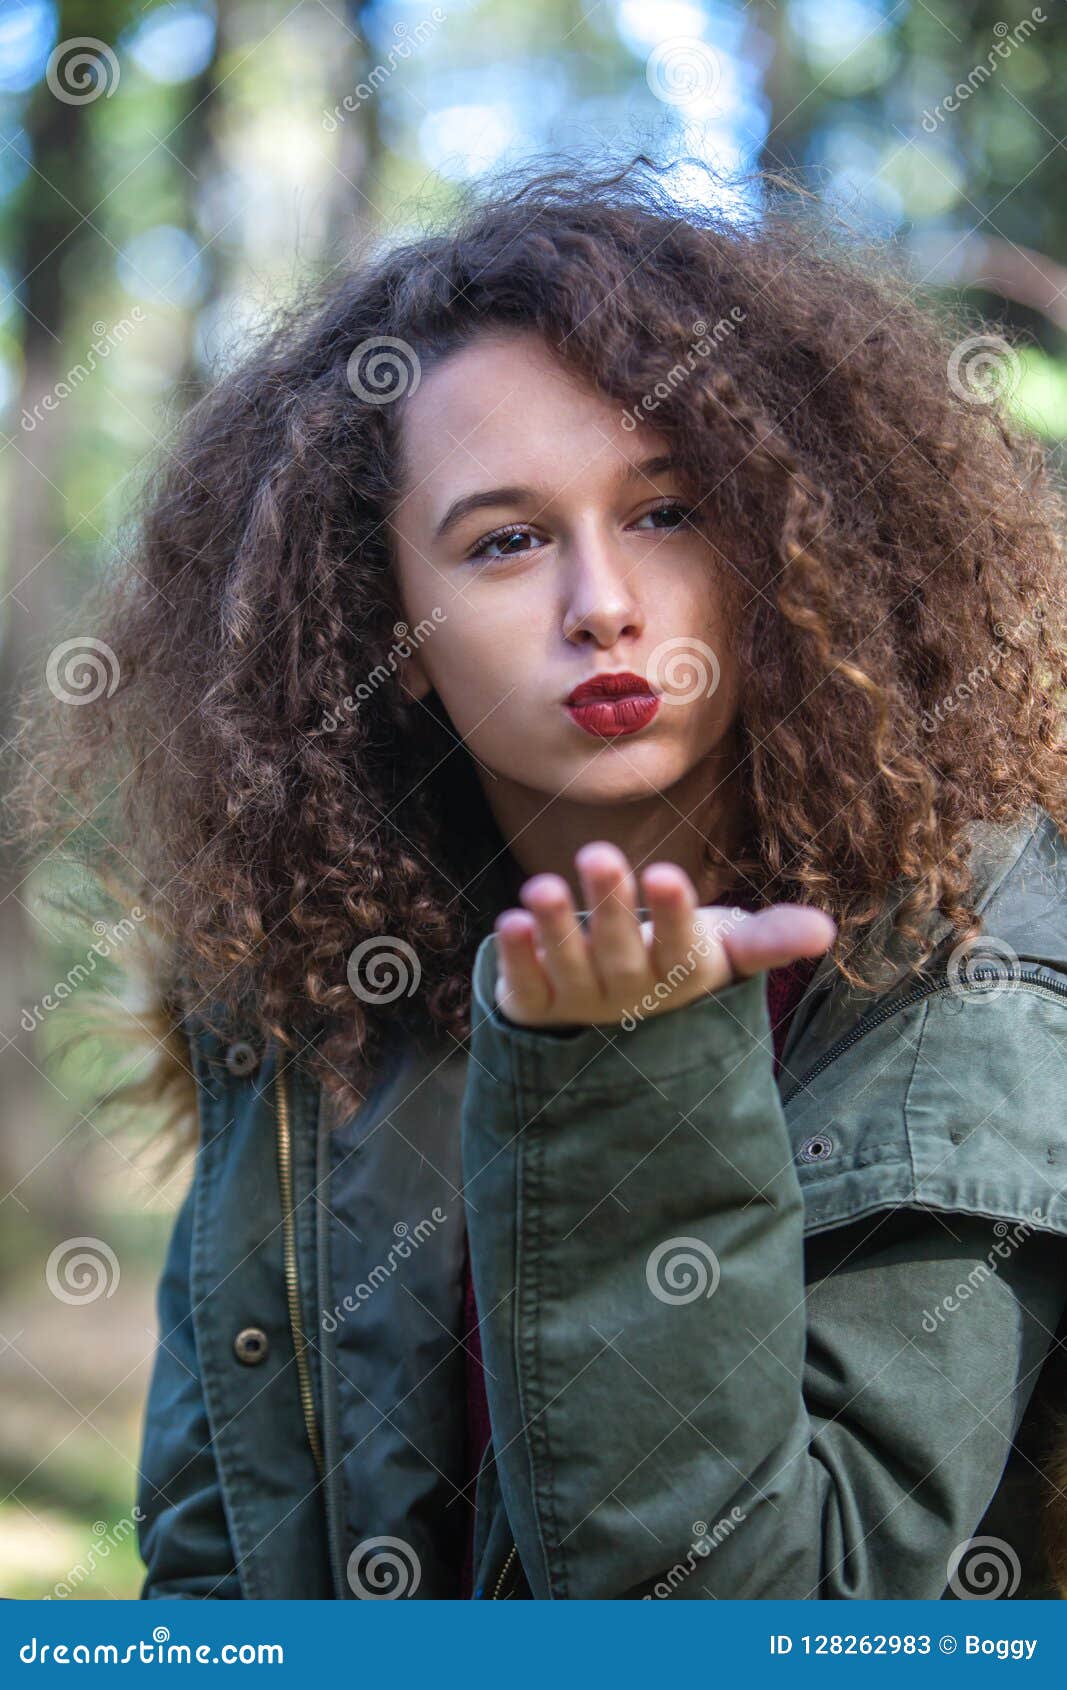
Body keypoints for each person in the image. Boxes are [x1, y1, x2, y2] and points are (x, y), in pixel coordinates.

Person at [9, 157, 1067, 1601]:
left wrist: (624, 1065)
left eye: (668, 511)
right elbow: (219, 1570)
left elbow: (754, 1623)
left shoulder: (979, 955)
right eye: (505, 542)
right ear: (383, 625)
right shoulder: (324, 984)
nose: (602, 605)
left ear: (786, 537)